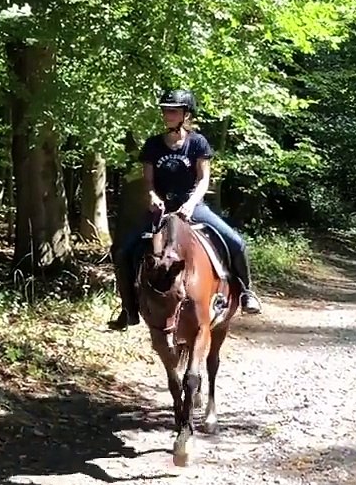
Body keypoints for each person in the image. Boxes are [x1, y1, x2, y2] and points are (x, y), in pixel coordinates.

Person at [108, 88, 262, 331]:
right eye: (166, 110)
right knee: (123, 251)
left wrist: (190, 204)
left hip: (193, 208)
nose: (168, 114)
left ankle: (246, 292)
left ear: (185, 114)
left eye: (173, 110)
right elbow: (148, 181)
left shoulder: (197, 143)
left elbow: (203, 179)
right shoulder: (153, 145)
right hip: (161, 210)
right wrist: (152, 197)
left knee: (236, 242)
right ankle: (128, 309)